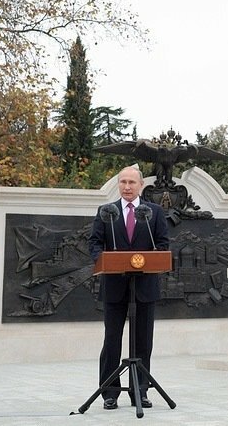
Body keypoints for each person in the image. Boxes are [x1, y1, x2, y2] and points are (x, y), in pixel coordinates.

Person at [88, 166, 170, 410]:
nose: (126, 186)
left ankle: (140, 391)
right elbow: (94, 243)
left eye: (131, 182)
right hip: (114, 287)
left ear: (141, 185)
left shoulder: (154, 213)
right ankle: (109, 392)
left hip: (144, 287)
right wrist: (102, 260)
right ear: (118, 185)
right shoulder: (106, 212)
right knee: (112, 340)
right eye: (122, 182)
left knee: (144, 342)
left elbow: (163, 244)